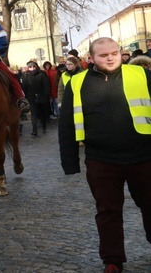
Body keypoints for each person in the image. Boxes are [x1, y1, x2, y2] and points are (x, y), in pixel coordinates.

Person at [58, 37, 151, 273]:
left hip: (143, 156)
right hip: (101, 159)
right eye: (103, 55)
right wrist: (70, 162)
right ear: (90, 58)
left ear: (120, 53)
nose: (110, 57)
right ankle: (113, 260)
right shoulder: (77, 83)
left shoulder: (141, 75)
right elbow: (66, 124)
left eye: (114, 53)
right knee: (107, 211)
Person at [22, 61, 51, 136]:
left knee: (42, 113)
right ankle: (34, 130)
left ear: (36, 66)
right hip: (31, 98)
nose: (32, 68)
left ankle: (44, 128)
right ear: (28, 68)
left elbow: (46, 86)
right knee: (34, 114)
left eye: (33, 66)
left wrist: (46, 95)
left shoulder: (42, 74)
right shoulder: (25, 75)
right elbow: (24, 87)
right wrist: (24, 97)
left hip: (42, 96)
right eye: (30, 67)